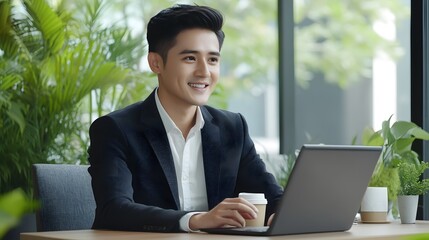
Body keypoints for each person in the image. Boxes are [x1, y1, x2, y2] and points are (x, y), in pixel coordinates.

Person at [87, 4, 283, 233]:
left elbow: (274, 198)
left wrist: (281, 215)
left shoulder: (232, 128)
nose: (204, 72)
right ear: (155, 63)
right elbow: (113, 210)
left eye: (212, 60)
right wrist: (196, 220)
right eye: (190, 58)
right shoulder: (115, 129)